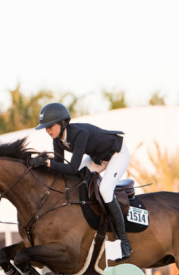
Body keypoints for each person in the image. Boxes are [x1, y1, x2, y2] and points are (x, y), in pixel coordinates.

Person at [33, 102, 133, 259]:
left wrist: (47, 162)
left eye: (50, 126)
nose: (47, 130)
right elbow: (60, 166)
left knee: (105, 190)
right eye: (45, 127)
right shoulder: (58, 139)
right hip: (98, 158)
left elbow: (71, 167)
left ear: (62, 123)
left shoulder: (79, 133)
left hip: (117, 154)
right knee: (74, 182)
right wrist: (41, 166)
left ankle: (124, 242)